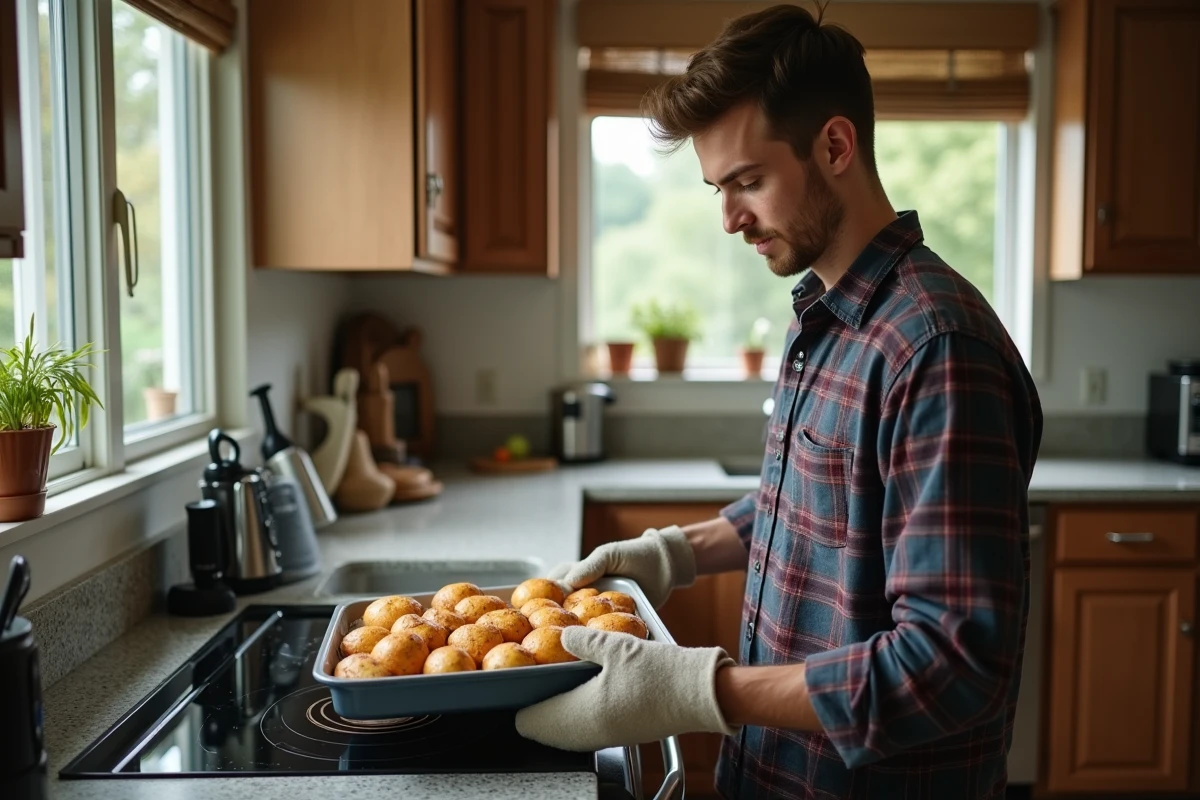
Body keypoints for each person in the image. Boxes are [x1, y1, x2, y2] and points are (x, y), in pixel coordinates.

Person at [515, 4, 1043, 799]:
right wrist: (675, 551)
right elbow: (809, 500)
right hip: (773, 773)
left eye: (748, 182)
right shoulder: (827, 317)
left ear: (835, 145)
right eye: (717, 188)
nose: (729, 218)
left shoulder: (935, 349)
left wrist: (701, 690)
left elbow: (951, 664)